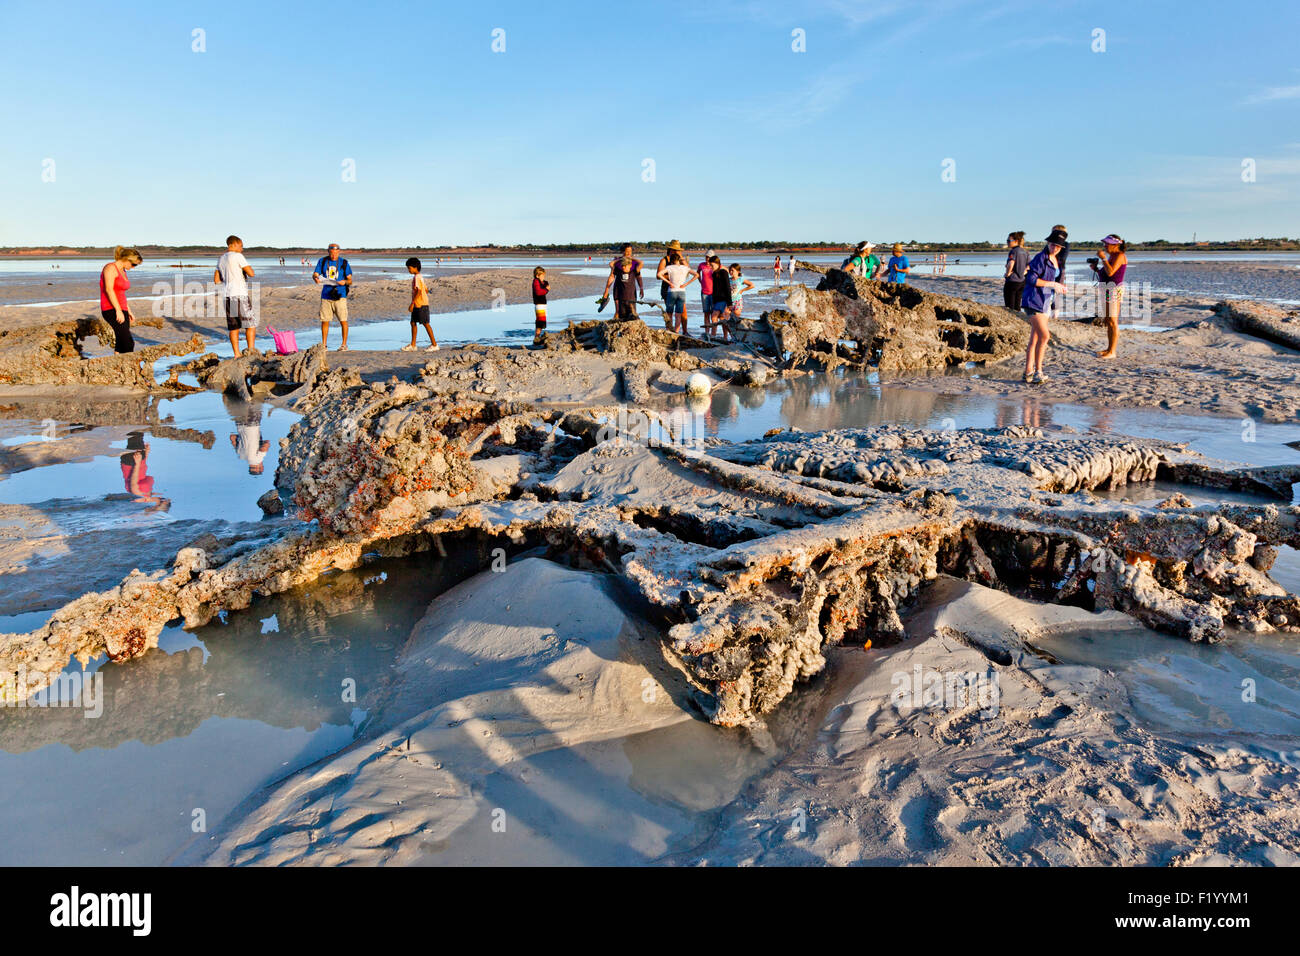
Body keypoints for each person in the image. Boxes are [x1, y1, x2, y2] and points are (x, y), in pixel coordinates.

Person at [1019, 230, 1069, 384]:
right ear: (1048, 243)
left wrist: (1059, 285)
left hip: (1045, 301)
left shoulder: (1057, 259)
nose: (1055, 248)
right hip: (1033, 300)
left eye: (1059, 246)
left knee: (1034, 338)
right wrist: (1051, 284)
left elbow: (1055, 277)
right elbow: (1031, 279)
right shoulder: (1041, 258)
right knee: (1045, 336)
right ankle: (1038, 372)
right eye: (1053, 245)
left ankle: (1028, 371)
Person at [215, 235, 257, 356]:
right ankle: (251, 351)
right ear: (233, 244)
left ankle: (237, 354)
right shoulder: (238, 256)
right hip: (239, 294)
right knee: (250, 324)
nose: (242, 249)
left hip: (227, 296)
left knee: (234, 327)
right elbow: (252, 273)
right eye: (241, 246)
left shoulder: (221, 258)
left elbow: (216, 280)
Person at [1091, 234, 1128, 359]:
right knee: (1108, 320)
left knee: (1112, 321)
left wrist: (1103, 258)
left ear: (1115, 245)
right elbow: (1107, 273)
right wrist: (1096, 269)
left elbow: (1111, 272)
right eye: (1105, 244)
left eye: (1107, 244)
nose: (1105, 246)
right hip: (1107, 289)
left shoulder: (1120, 256)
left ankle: (1112, 351)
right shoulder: (1112, 256)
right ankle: (1109, 349)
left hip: (1114, 289)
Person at [99, 246, 142, 353]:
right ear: (126, 259)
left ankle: (117, 367)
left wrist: (129, 311)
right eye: (133, 264)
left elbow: (120, 293)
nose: (133, 267)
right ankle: (127, 367)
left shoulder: (122, 270)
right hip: (111, 308)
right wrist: (118, 310)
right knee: (128, 343)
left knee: (121, 341)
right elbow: (109, 290)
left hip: (122, 308)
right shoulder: (110, 268)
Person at [312, 243, 353, 350]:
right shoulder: (323, 261)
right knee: (325, 320)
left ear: (339, 252)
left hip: (340, 295)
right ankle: (324, 345)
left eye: (335, 253)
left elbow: (350, 280)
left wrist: (344, 282)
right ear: (328, 252)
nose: (333, 255)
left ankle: (344, 345)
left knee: (343, 320)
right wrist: (315, 278)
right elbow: (315, 274)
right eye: (331, 253)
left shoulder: (344, 262)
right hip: (326, 295)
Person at [225, 397, 271, 476]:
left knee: (255, 401)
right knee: (242, 403)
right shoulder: (240, 455)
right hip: (239, 423)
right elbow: (232, 437)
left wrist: (263, 443)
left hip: (252, 424)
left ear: (260, 468)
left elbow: (266, 445)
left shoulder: (257, 460)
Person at [657, 251, 697, 335]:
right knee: (678, 314)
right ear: (679, 260)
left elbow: (659, 274)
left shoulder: (669, 267)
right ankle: (676, 332)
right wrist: (686, 284)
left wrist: (669, 282)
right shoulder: (684, 268)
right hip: (681, 292)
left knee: (669, 314)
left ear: (671, 261)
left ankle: (669, 331)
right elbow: (696, 275)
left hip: (671, 292)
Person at [402, 257, 438, 351]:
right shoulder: (419, 277)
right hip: (419, 303)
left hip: (421, 304)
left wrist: (412, 303)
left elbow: (419, 290)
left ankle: (434, 345)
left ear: (415, 267)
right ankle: (413, 345)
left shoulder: (417, 277)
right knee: (413, 323)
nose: (408, 270)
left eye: (409, 268)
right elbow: (425, 289)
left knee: (426, 323)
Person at [602, 244, 643, 320]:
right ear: (622, 251)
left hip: (631, 292)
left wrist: (641, 288)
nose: (629, 253)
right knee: (618, 312)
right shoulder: (617, 262)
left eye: (630, 251)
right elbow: (611, 276)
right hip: (618, 290)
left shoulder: (635, 263)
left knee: (632, 312)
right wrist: (606, 291)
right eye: (627, 251)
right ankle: (616, 327)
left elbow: (639, 277)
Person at [706, 256, 733, 342]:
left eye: (711, 264)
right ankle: (714, 336)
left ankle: (727, 337)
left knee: (720, 319)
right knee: (718, 318)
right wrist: (714, 301)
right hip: (717, 300)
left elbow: (728, 287)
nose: (710, 266)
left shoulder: (724, 272)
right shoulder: (714, 274)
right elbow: (714, 288)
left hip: (724, 300)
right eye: (710, 265)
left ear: (717, 263)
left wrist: (729, 303)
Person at [1003, 231, 1029, 311]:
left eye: (1008, 241)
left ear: (1016, 241)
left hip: (1012, 281)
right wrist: (1023, 273)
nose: (1007, 242)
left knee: (1009, 305)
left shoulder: (1013, 251)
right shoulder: (1025, 251)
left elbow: (1011, 263)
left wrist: (1007, 274)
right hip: (1022, 281)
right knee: (1017, 304)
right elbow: (1029, 265)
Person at [656, 240, 684, 306]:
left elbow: (687, 271)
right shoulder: (664, 260)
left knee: (683, 313)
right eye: (674, 250)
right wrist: (672, 276)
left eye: (678, 250)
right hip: (667, 288)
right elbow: (658, 276)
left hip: (679, 288)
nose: (676, 252)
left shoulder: (680, 260)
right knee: (669, 311)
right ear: (670, 250)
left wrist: (682, 259)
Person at [531, 265, 550, 345]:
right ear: (537, 275)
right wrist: (546, 289)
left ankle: (537, 337)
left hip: (542, 304)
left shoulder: (539, 282)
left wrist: (545, 285)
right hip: (539, 305)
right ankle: (536, 338)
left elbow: (543, 286)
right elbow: (539, 292)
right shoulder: (535, 281)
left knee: (541, 322)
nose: (543, 277)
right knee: (540, 322)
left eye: (544, 276)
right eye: (542, 276)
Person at [697, 248, 715, 321]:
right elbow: (697, 272)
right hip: (704, 292)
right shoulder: (701, 265)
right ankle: (707, 331)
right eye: (706, 257)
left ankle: (713, 332)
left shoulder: (715, 266)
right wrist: (700, 281)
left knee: (713, 313)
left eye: (709, 257)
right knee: (706, 312)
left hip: (713, 292)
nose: (707, 259)